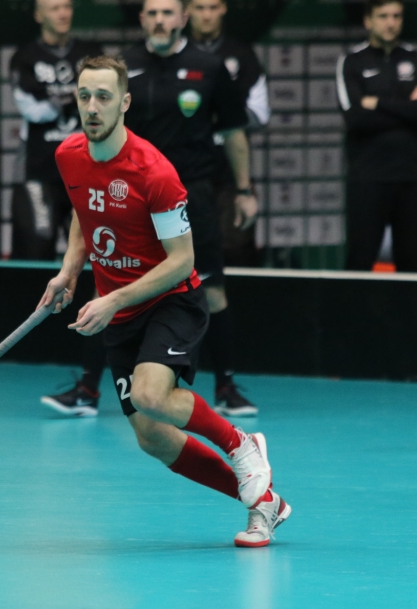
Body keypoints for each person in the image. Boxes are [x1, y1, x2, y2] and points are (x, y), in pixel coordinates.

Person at [39, 55, 290, 547]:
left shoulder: (154, 172)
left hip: (171, 299)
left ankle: (240, 443)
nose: (93, 107)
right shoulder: (69, 154)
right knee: (152, 437)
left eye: (104, 97)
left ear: (125, 103)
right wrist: (69, 270)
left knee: (152, 395)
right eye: (85, 96)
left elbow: (182, 261)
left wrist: (111, 299)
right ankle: (264, 503)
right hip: (122, 312)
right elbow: (84, 212)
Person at [41, 0, 259, 418]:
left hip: (192, 191)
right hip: (127, 192)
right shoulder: (123, 70)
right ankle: (87, 389)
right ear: (142, 20)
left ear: (182, 18)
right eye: (152, 13)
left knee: (211, 288)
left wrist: (244, 189)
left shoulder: (209, 67)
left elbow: (233, 131)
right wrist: (69, 267)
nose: (160, 20)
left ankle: (227, 387)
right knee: (107, 285)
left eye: (168, 12)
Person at [336, 0, 417, 272]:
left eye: (396, 16)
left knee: (410, 262)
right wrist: (409, 105)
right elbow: (355, 117)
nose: (391, 22)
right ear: (368, 20)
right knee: (360, 260)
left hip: (411, 176)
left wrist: (378, 103)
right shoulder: (352, 61)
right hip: (368, 177)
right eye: (383, 16)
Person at [9, 0, 102, 261]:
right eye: (54, 8)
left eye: (67, 7)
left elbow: (104, 102)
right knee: (35, 248)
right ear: (39, 15)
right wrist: (77, 96)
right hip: (38, 170)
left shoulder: (92, 54)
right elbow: (34, 111)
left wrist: (59, 97)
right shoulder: (24, 57)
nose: (63, 13)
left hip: (87, 169)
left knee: (93, 252)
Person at [187, 0, 270, 266]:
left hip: (230, 177)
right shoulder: (177, 54)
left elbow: (260, 115)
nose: (206, 15)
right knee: (184, 258)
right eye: (200, 8)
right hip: (184, 176)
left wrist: (212, 114)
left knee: (237, 255)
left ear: (223, 9)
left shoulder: (242, 54)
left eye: (212, 7)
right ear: (188, 11)